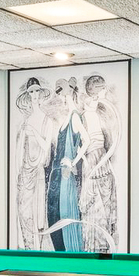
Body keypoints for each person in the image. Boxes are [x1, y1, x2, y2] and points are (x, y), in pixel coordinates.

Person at [78, 74, 120, 252]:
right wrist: (92, 163)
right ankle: (96, 247)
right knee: (96, 205)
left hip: (99, 160)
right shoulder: (88, 114)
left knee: (104, 202)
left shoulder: (97, 112)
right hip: (95, 160)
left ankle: (102, 247)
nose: (105, 91)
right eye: (102, 88)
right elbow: (86, 143)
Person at [45, 78, 86, 252]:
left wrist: (73, 161)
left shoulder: (75, 116)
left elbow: (87, 140)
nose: (61, 97)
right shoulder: (67, 117)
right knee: (54, 215)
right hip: (57, 175)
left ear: (69, 93)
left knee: (65, 214)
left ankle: (70, 253)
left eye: (63, 93)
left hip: (65, 175)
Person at [11, 77, 51, 249]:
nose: (34, 94)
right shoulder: (25, 122)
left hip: (38, 170)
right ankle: (27, 246)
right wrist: (17, 171)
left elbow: (46, 146)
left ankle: (37, 248)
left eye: (36, 91)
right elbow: (20, 149)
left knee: (38, 213)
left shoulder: (47, 120)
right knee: (23, 209)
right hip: (25, 170)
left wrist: (34, 132)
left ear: (41, 94)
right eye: (31, 92)